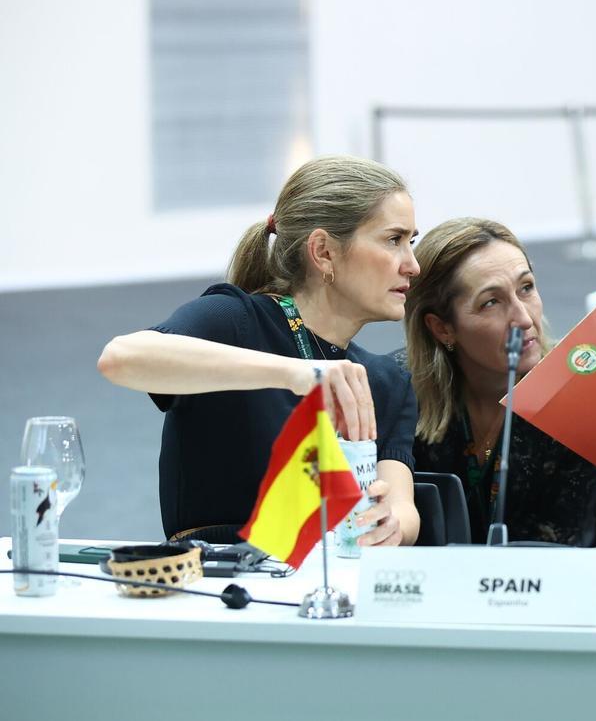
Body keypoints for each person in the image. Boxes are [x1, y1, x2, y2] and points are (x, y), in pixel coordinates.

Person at [98, 156, 421, 545]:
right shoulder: (235, 318)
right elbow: (120, 359)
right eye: (393, 240)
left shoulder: (386, 381)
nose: (413, 265)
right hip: (220, 584)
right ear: (323, 252)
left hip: (329, 587)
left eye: (411, 242)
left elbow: (403, 506)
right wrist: (295, 373)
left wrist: (391, 524)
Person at [402, 218, 596, 545]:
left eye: (526, 288)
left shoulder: (580, 403)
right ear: (442, 328)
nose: (524, 319)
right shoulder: (403, 396)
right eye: (491, 302)